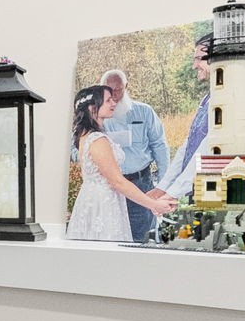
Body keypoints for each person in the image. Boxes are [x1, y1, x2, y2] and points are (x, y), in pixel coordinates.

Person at [67, 84, 180, 243]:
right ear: (93, 108)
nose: (114, 103)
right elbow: (118, 181)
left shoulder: (87, 135)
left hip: (97, 198)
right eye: (108, 100)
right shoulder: (97, 140)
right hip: (104, 204)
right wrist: (153, 205)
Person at [98, 68, 171, 243]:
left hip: (140, 183)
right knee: (111, 236)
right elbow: (78, 149)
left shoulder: (144, 111)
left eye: (118, 89)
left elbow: (160, 146)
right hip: (108, 186)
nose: (114, 95)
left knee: (142, 236)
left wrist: (164, 184)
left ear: (126, 87)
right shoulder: (95, 117)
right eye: (109, 90)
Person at [157, 34, 216, 200]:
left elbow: (207, 149)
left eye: (199, 59)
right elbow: (188, 145)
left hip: (210, 194)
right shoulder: (207, 99)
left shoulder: (226, 102)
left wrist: (173, 193)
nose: (194, 66)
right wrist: (163, 188)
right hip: (194, 192)